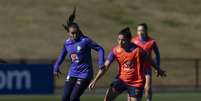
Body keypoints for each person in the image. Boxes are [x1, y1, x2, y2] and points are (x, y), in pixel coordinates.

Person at [88, 27, 164, 101]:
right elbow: (105, 67)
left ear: (129, 40)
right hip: (121, 80)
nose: (120, 42)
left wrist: (158, 69)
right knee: (107, 99)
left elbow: (149, 60)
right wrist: (95, 80)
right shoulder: (115, 50)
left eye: (123, 40)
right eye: (119, 39)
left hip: (136, 82)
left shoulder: (138, 50)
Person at [53, 8, 105, 101]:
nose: (75, 35)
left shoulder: (85, 41)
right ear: (68, 33)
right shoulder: (67, 43)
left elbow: (100, 49)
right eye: (72, 33)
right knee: (65, 98)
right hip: (73, 73)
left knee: (73, 98)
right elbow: (61, 55)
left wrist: (101, 62)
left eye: (76, 32)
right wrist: (56, 66)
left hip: (85, 74)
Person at [131, 23, 166, 101]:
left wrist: (157, 67)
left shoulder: (152, 41)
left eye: (142, 30)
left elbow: (157, 54)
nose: (140, 32)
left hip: (147, 68)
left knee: (147, 87)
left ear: (146, 31)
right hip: (136, 68)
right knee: (133, 90)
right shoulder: (133, 41)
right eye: (138, 30)